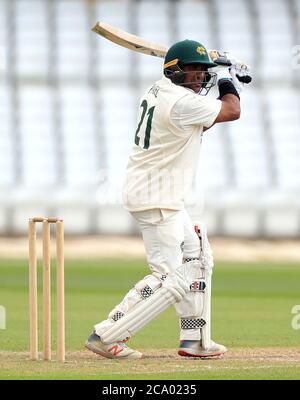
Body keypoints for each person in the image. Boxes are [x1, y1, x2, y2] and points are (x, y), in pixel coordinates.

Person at [86, 39, 249, 359]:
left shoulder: (160, 90)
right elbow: (232, 110)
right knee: (171, 278)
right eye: (195, 71)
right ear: (175, 70)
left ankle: (194, 340)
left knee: (199, 259)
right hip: (157, 197)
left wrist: (221, 72)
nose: (202, 78)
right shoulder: (181, 101)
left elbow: (201, 125)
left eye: (205, 72)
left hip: (162, 194)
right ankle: (107, 334)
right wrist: (228, 76)